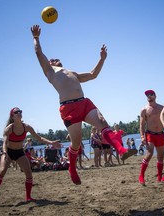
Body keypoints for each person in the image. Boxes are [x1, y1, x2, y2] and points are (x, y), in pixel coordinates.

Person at [31, 25, 137, 185]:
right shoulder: (50, 72)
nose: (54, 59)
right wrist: (36, 37)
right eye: (52, 59)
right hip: (68, 108)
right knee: (75, 142)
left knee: (103, 123)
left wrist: (102, 59)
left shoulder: (71, 72)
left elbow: (93, 75)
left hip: (84, 103)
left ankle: (122, 150)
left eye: (55, 58)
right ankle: (72, 168)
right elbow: (39, 53)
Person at [0, 107, 61, 205]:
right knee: (2, 171)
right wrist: (4, 152)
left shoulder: (27, 127)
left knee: (29, 173)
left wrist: (51, 142)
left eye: (20, 111)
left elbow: (39, 138)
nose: (19, 113)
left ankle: (28, 197)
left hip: (20, 152)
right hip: (8, 152)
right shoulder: (9, 128)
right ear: (12, 116)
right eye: (16, 112)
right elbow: (4, 142)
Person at [139, 90, 164, 185]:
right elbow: (141, 125)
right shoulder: (144, 109)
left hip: (160, 134)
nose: (149, 96)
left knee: (160, 157)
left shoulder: (162, 108)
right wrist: (142, 137)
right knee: (149, 154)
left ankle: (159, 176)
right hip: (150, 134)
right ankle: (141, 175)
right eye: (147, 95)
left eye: (151, 94)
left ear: (155, 96)